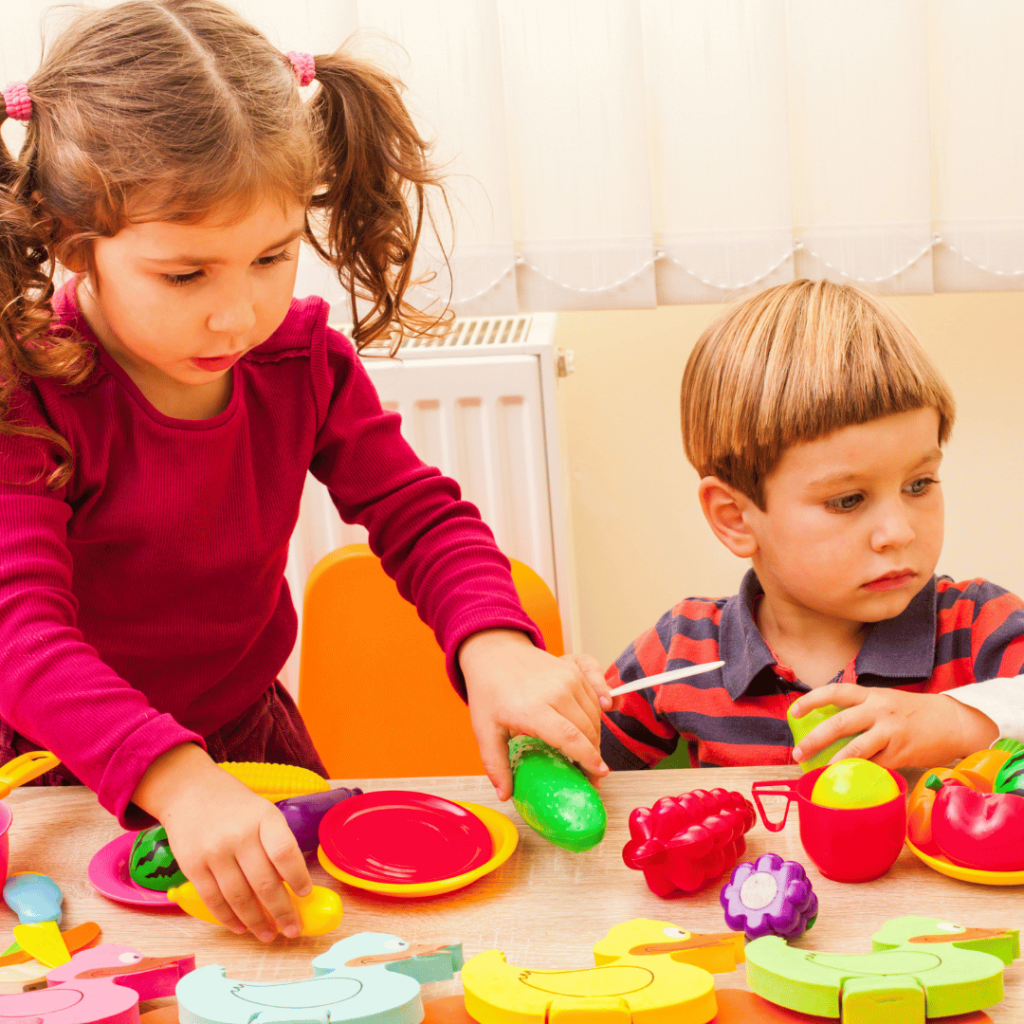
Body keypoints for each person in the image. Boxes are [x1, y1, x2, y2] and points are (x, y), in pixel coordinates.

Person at [0, 0, 614, 943]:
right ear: (72, 239)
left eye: (272, 257)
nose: (237, 315)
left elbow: (419, 513)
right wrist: (176, 779)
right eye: (184, 274)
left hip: (245, 750)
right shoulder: (29, 394)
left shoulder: (302, 361)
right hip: (54, 780)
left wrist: (495, 646)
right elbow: (23, 638)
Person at [601, 279, 1024, 773]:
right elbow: (576, 762)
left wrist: (957, 722)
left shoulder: (977, 628)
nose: (899, 531)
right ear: (735, 518)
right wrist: (550, 716)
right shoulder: (682, 651)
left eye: (919, 484)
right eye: (847, 500)